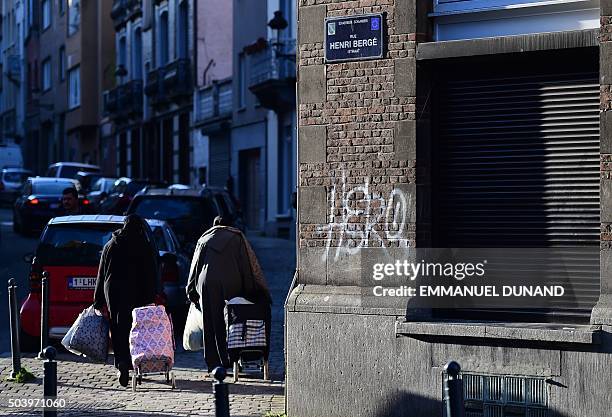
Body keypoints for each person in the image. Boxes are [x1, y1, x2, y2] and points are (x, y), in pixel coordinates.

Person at [186, 216, 271, 372]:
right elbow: (246, 264)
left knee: (210, 321)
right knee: (231, 319)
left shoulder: (205, 238)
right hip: (231, 281)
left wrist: (190, 289)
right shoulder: (237, 237)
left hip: (206, 282)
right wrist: (250, 288)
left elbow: (195, 265)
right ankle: (229, 357)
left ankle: (213, 362)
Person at [93, 214, 159, 387]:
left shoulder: (111, 244)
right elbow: (151, 272)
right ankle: (136, 363)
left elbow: (102, 272)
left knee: (118, 326)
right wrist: (152, 296)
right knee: (137, 328)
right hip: (138, 292)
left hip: (114, 291)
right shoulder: (143, 245)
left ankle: (121, 362)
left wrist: (98, 299)